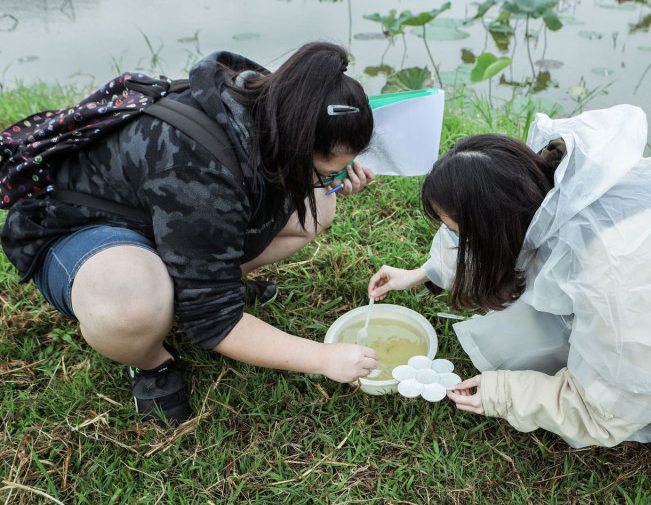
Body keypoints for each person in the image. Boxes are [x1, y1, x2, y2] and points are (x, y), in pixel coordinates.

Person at [368, 105, 651, 482]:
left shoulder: (617, 286)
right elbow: (498, 241)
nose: (455, 242)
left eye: (456, 231)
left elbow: (604, 413)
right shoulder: (555, 187)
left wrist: (505, 393)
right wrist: (424, 272)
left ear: (490, 230)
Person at [1, 42, 380, 425]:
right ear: (296, 143)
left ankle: (197, 283)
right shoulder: (198, 170)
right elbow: (215, 322)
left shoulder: (270, 105)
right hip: (76, 229)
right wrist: (324, 358)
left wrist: (329, 180)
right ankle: (152, 363)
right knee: (129, 300)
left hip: (164, 219)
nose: (332, 179)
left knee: (313, 215)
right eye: (325, 171)